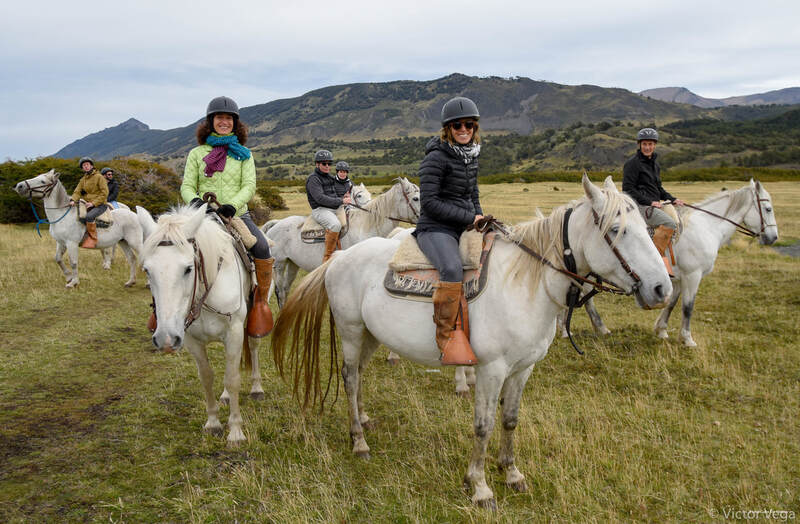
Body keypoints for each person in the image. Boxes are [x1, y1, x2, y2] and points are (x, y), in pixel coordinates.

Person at [180, 95, 274, 336]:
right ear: (210, 121)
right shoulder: (196, 153)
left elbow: (249, 186)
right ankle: (161, 309)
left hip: (237, 215)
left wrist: (232, 205)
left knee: (262, 248)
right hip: (203, 215)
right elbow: (187, 185)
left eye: (229, 118)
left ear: (235, 122)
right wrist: (194, 201)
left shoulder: (244, 154)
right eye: (219, 117)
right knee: (170, 250)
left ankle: (260, 305)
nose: (224, 121)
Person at [413, 96, 484, 366]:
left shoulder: (471, 156)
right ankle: (446, 336)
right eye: (457, 126)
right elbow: (429, 203)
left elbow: (473, 193)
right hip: (435, 228)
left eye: (469, 124)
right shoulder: (436, 158)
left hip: (464, 224)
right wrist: (469, 216)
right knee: (453, 269)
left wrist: (480, 217)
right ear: (448, 129)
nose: (464, 129)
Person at [622, 127, 685, 277]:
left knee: (678, 221)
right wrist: (649, 202)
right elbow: (627, 188)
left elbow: (658, 188)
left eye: (650, 144)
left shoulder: (654, 164)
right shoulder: (633, 163)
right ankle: (656, 261)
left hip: (653, 203)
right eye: (644, 144)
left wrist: (672, 199)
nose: (647, 147)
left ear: (655, 145)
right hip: (639, 205)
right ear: (639, 145)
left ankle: (663, 252)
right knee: (669, 223)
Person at [305, 150, 353, 262]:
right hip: (320, 209)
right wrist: (341, 200)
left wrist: (345, 195)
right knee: (335, 225)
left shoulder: (329, 177)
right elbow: (320, 199)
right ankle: (327, 258)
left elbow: (339, 187)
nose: (327, 166)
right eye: (324, 164)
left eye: (329, 164)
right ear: (317, 164)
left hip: (334, 208)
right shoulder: (313, 179)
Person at [69, 156, 108, 248]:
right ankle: (82, 236)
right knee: (78, 216)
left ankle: (92, 239)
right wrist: (73, 200)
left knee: (89, 216)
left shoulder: (99, 177)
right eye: (84, 165)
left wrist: (93, 203)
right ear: (82, 168)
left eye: (87, 164)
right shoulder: (83, 180)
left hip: (100, 204)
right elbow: (77, 191)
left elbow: (104, 193)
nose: (86, 166)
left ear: (91, 166)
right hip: (87, 204)